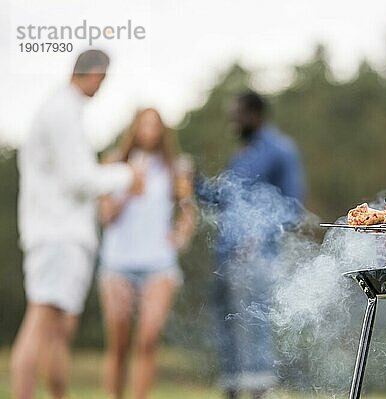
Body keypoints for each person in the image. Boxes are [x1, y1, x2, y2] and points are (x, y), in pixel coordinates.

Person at [12, 50, 144, 399]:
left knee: (59, 329)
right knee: (41, 322)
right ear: (96, 74)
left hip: (60, 233)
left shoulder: (63, 109)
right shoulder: (61, 111)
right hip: (57, 234)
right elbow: (79, 179)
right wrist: (127, 174)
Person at [197, 91, 305, 399]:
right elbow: (225, 199)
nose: (232, 120)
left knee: (254, 324)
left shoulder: (281, 150)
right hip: (226, 256)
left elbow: (292, 206)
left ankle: (259, 393)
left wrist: (259, 237)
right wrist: (196, 183)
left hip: (257, 256)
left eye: (237, 113)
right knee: (227, 326)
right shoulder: (242, 155)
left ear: (255, 114)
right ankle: (231, 390)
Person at [98, 108, 197, 399]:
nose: (150, 131)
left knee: (149, 339)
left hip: (159, 264)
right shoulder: (114, 163)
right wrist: (129, 188)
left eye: (156, 125)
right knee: (118, 344)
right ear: (135, 128)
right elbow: (105, 216)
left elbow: (187, 210)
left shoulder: (176, 168)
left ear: (163, 131)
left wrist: (180, 235)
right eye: (145, 124)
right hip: (118, 263)